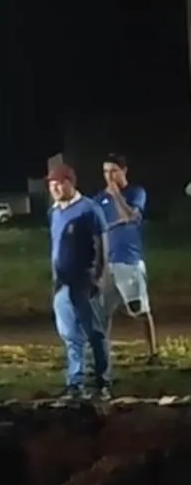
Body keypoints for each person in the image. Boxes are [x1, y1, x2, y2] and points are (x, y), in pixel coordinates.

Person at [47, 163, 111, 400]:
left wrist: (99, 276)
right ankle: (75, 382)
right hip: (62, 283)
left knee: (94, 332)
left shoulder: (89, 209)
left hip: (84, 280)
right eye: (51, 185)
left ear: (69, 183)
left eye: (58, 184)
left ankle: (102, 382)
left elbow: (102, 244)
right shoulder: (54, 211)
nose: (54, 189)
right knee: (69, 335)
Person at [95, 154, 158, 363]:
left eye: (113, 170)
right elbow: (98, 228)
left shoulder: (135, 192)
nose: (109, 176)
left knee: (139, 310)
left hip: (129, 261)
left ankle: (153, 352)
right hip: (107, 263)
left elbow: (132, 217)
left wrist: (116, 196)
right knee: (102, 312)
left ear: (124, 171)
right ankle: (102, 354)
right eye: (105, 171)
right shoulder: (99, 199)